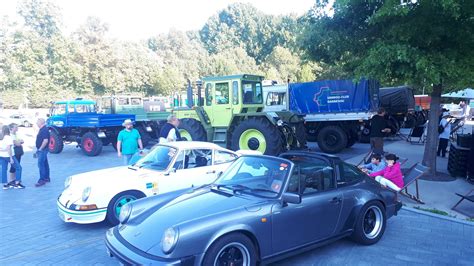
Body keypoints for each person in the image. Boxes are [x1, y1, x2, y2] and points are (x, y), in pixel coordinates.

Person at [1, 125, 23, 189]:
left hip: (1, 156)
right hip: (8, 155)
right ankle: (17, 183)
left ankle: (5, 184)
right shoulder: (8, 137)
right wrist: (11, 158)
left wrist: (2, 150)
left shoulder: (1, 137)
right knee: (18, 167)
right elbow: (9, 148)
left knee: (3, 169)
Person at [7, 123, 25, 188]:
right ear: (11, 128)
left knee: (15, 166)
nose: (17, 128)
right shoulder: (11, 135)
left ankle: (13, 180)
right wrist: (19, 142)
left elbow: (21, 141)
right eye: (16, 127)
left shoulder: (16, 134)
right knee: (15, 166)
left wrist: (19, 142)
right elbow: (17, 143)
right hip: (14, 153)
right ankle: (13, 180)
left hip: (18, 153)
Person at [35, 118, 50, 187]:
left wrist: (40, 149)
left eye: (37, 122)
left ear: (41, 123)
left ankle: (42, 179)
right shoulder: (43, 129)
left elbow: (45, 140)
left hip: (43, 149)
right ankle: (47, 177)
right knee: (45, 163)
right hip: (43, 149)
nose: (36, 123)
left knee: (41, 164)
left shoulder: (44, 130)